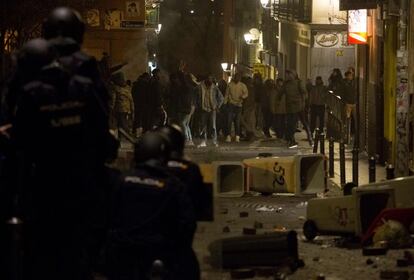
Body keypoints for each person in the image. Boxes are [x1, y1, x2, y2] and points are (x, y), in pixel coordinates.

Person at [107, 131, 196, 280]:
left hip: (124, 252)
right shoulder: (173, 185)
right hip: (160, 251)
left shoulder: (120, 180)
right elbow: (187, 224)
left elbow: (108, 215)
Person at [196, 75, 224, 147]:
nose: (210, 81)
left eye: (211, 80)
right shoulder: (200, 87)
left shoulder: (214, 87)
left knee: (213, 126)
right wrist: (198, 105)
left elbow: (221, 98)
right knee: (202, 126)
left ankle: (214, 141)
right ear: (205, 80)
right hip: (203, 109)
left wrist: (217, 106)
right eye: (209, 79)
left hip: (212, 110)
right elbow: (195, 96)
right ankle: (203, 141)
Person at [282, 70, 307, 147]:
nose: (289, 76)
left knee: (292, 124)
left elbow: (304, 93)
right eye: (288, 75)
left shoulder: (299, 83)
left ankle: (290, 139)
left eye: (290, 74)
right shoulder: (286, 84)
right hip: (289, 106)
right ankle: (289, 139)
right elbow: (281, 92)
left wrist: (303, 103)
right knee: (289, 124)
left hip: (297, 107)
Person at [224, 73, 248, 142]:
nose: (237, 79)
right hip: (231, 104)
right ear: (234, 77)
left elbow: (246, 93)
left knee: (237, 121)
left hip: (239, 105)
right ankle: (228, 135)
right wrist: (225, 103)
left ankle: (237, 136)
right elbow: (227, 94)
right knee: (229, 120)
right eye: (236, 77)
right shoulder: (230, 85)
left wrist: (242, 97)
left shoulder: (242, 85)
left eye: (239, 77)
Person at [111, 72, 134, 137]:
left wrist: (111, 108)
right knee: (121, 123)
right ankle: (121, 137)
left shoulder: (115, 88)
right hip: (127, 109)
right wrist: (132, 109)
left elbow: (113, 99)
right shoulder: (127, 88)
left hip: (119, 108)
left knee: (121, 124)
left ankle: (128, 136)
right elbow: (131, 99)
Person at [343, 70, 357, 143]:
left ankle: (355, 134)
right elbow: (343, 92)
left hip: (354, 103)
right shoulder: (345, 83)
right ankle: (347, 136)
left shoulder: (355, 82)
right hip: (348, 103)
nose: (350, 77)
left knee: (355, 119)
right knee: (347, 119)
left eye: (351, 75)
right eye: (349, 75)